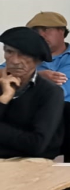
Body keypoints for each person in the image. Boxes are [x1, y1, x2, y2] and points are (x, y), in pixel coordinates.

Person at [0, 27, 64, 160]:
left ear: (37, 60)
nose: (15, 60)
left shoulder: (50, 92)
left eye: (24, 54)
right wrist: (4, 98)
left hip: (29, 162)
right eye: (9, 52)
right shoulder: (1, 84)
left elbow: (36, 144)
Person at [22, 12, 70, 106]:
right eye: (36, 31)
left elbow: (49, 95)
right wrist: (35, 76)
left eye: (45, 29)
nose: (41, 35)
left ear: (61, 30)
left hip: (50, 117)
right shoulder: (25, 56)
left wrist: (20, 77)